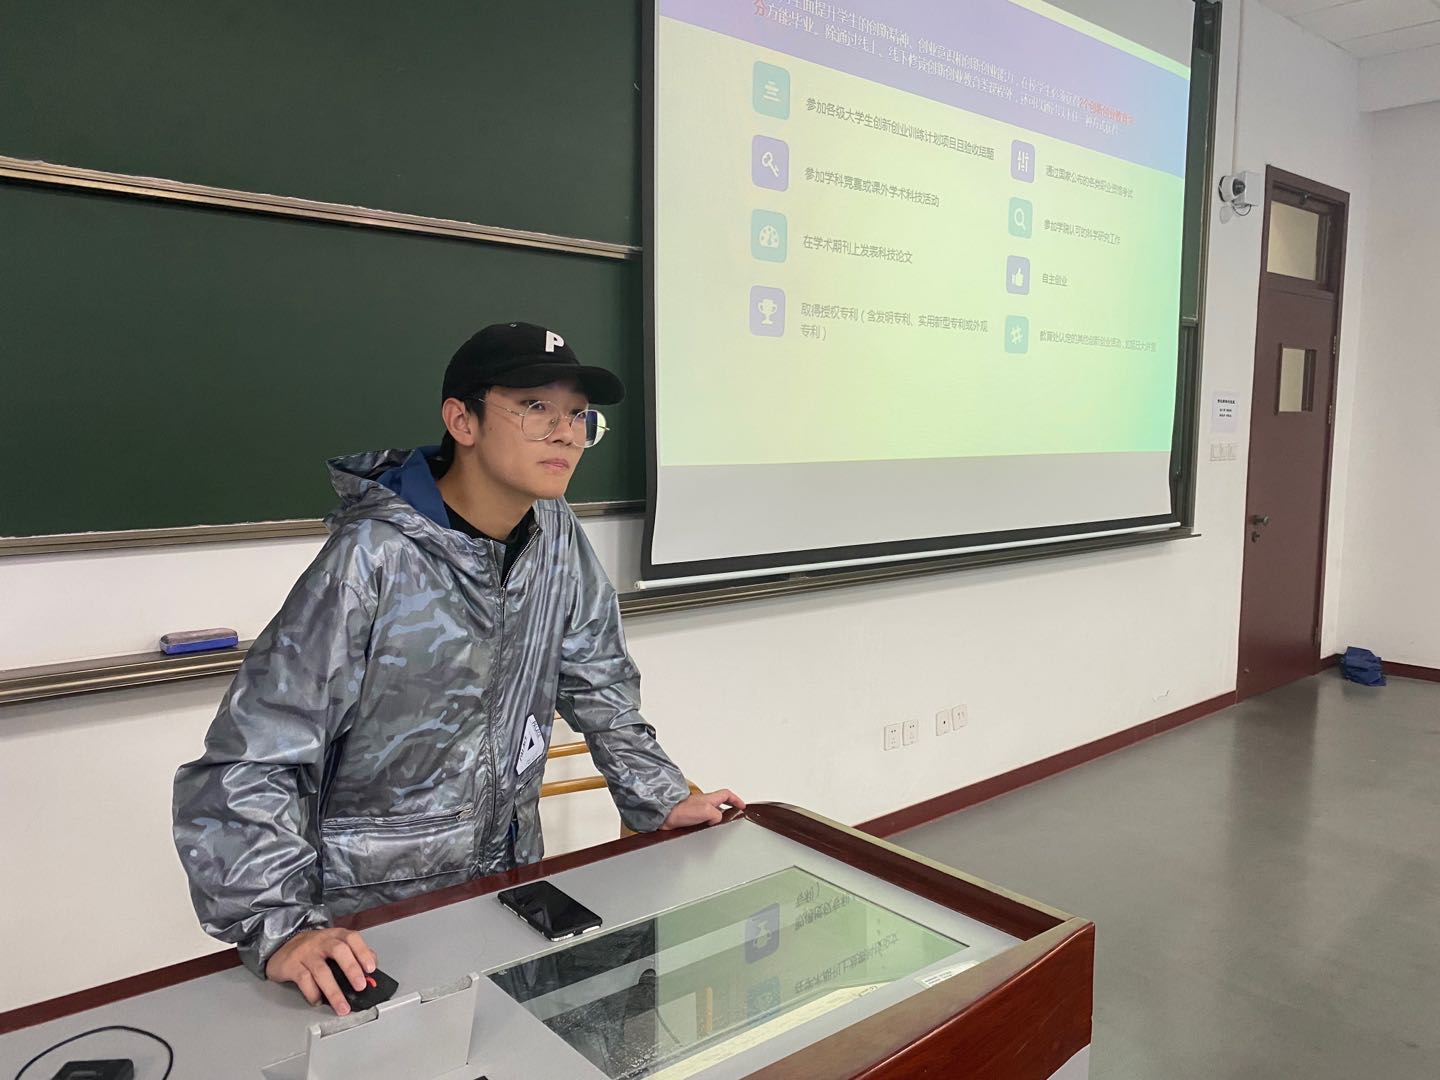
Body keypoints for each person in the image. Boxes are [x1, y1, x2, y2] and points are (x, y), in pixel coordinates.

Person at [172, 322, 743, 1016]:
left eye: (578, 417)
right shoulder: (372, 561)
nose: (565, 434)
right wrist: (283, 928)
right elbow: (246, 762)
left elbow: (599, 678)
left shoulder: (555, 535)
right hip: (377, 924)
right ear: (461, 420)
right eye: (536, 408)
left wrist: (657, 794)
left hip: (510, 893)